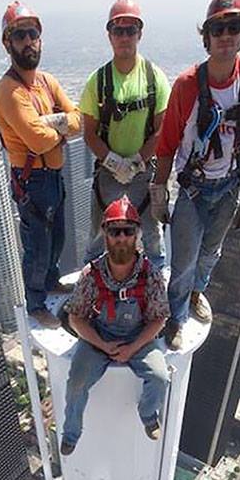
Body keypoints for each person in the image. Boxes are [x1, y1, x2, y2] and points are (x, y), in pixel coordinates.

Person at [151, 0, 240, 349]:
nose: (225, 36)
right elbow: (167, 143)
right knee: (184, 259)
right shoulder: (188, 85)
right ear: (206, 36)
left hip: (229, 185)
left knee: (210, 253)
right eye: (218, 29)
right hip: (193, 187)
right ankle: (176, 315)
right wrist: (159, 193)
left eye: (233, 27)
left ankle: (194, 295)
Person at [60, 195, 170, 456]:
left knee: (159, 377)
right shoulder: (91, 275)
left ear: (137, 235)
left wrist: (132, 348)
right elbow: (76, 318)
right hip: (100, 335)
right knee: (76, 382)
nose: (121, 238)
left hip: (138, 336)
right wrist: (102, 344)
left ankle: (148, 415)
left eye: (127, 231)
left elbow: (159, 318)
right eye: (115, 231)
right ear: (105, 234)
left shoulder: (150, 275)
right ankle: (71, 432)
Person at [0, 1, 82, 328]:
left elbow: (78, 120)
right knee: (37, 246)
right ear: (8, 43)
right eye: (20, 35)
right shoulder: (9, 91)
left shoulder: (46, 82)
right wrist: (57, 130)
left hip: (53, 176)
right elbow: (39, 141)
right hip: (32, 180)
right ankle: (35, 304)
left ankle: (50, 282)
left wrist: (52, 125)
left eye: (33, 33)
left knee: (57, 237)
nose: (28, 41)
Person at [80, 0, 171, 271]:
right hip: (108, 171)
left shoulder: (155, 78)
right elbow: (90, 133)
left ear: (139, 34)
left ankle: (156, 281)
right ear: (109, 35)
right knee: (100, 231)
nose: (124, 37)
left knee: (151, 233)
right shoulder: (99, 81)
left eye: (130, 30)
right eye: (118, 30)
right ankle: (91, 281)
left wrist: (136, 162)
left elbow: (161, 129)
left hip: (143, 170)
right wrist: (113, 162)